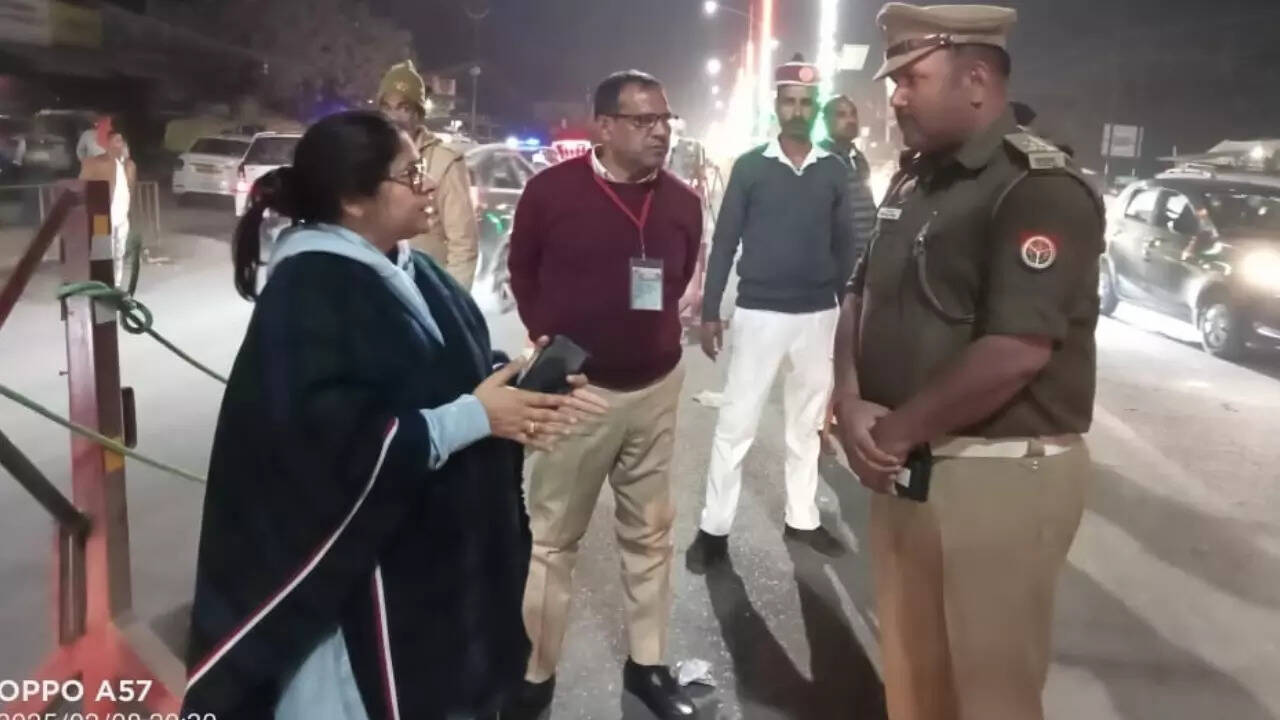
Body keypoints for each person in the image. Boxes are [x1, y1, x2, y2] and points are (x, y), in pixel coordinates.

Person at [181, 111, 607, 720]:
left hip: (441, 576)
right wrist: (473, 418)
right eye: (410, 175)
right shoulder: (309, 290)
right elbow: (328, 448)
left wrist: (525, 391)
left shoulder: (417, 268)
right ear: (354, 199)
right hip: (367, 593)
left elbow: (459, 376)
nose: (428, 184)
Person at [833, 4, 1105, 719]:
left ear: (977, 80)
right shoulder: (916, 180)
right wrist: (849, 399)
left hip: (998, 475)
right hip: (907, 467)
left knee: (988, 694)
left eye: (912, 79)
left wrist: (892, 433)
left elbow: (1017, 349)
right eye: (895, 81)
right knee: (912, 679)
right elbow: (859, 293)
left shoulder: (1035, 186)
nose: (896, 97)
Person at [505, 70, 703, 720]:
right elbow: (522, 269)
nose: (660, 132)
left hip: (657, 387)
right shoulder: (550, 192)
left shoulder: (681, 202)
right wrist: (549, 338)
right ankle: (534, 675)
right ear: (605, 127)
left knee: (650, 535)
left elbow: (676, 278)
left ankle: (648, 665)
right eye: (644, 121)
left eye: (665, 120)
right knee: (551, 540)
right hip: (576, 393)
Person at [687, 54, 859, 568]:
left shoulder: (833, 171)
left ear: (816, 108)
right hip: (759, 313)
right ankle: (714, 529)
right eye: (790, 101)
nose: (798, 110)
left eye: (807, 103)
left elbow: (847, 247)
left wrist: (844, 311)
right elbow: (724, 242)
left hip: (818, 315)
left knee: (806, 427)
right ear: (776, 106)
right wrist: (711, 311)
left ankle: (801, 518)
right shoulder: (750, 167)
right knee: (736, 423)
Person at [377, 60, 480, 289]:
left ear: (419, 113)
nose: (394, 116)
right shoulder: (369, 157)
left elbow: (463, 246)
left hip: (427, 291)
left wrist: (451, 301)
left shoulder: (445, 162)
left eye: (404, 108)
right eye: (387, 107)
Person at [79, 130, 136, 287]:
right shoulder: (95, 162)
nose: (121, 145)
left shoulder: (129, 165)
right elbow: (81, 184)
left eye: (122, 142)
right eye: (117, 141)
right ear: (108, 144)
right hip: (101, 215)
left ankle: (116, 283)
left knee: (119, 251)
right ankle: (101, 282)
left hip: (122, 216)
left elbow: (130, 189)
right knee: (102, 250)